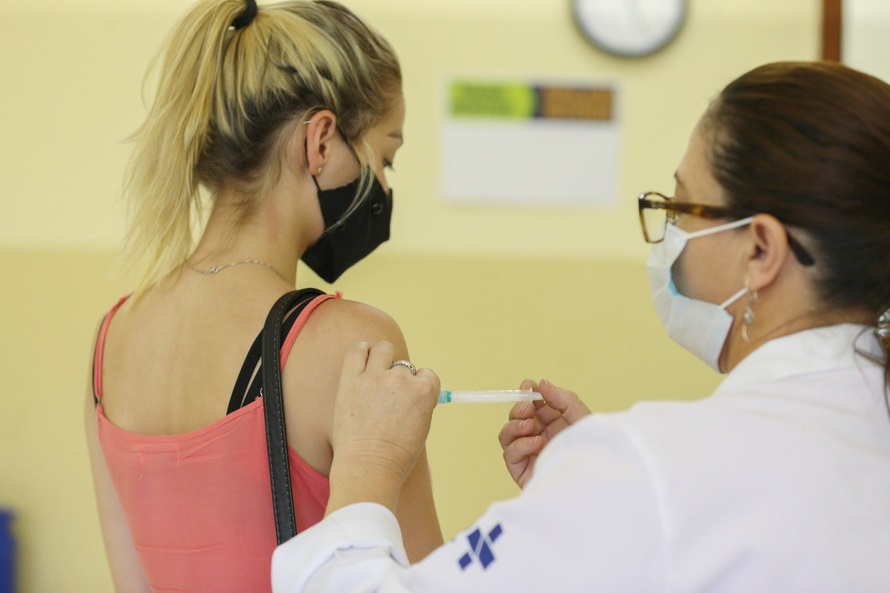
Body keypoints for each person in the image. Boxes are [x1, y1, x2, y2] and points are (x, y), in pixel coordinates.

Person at [270, 61, 890, 592]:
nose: (668, 235)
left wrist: (367, 465)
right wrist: (590, 496)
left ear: (760, 249)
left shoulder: (645, 469)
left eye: (681, 208)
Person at [84, 1, 443, 591]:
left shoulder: (112, 341)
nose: (382, 186)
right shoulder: (353, 345)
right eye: (386, 158)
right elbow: (423, 582)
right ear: (321, 141)